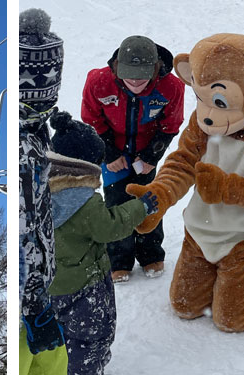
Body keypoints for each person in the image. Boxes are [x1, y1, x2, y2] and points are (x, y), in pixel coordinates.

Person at [125, 33, 244, 333]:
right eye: (201, 98)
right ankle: (222, 273)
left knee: (233, 319)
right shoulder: (200, 123)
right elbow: (182, 162)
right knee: (184, 305)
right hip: (201, 231)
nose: (207, 115)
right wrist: (158, 196)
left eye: (220, 102)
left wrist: (227, 188)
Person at [46, 111, 157, 374]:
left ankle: (61, 366)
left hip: (54, 286)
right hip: (86, 285)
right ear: (86, 165)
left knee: (62, 336)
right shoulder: (84, 201)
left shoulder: (39, 191)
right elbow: (110, 226)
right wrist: (140, 208)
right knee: (91, 335)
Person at [81, 35, 185, 283]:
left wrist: (151, 156)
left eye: (142, 75)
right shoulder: (98, 82)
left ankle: (150, 254)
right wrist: (110, 153)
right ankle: (119, 260)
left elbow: (170, 125)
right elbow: (91, 119)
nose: (135, 81)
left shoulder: (171, 87)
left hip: (146, 151)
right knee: (116, 202)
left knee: (150, 198)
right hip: (113, 152)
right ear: (117, 68)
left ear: (155, 69)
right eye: (129, 74)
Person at [19, 7, 67, 375]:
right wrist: (34, 295)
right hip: (31, 296)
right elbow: (27, 223)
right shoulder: (25, 147)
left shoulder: (33, 135)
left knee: (48, 361)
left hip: (38, 290)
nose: (42, 111)